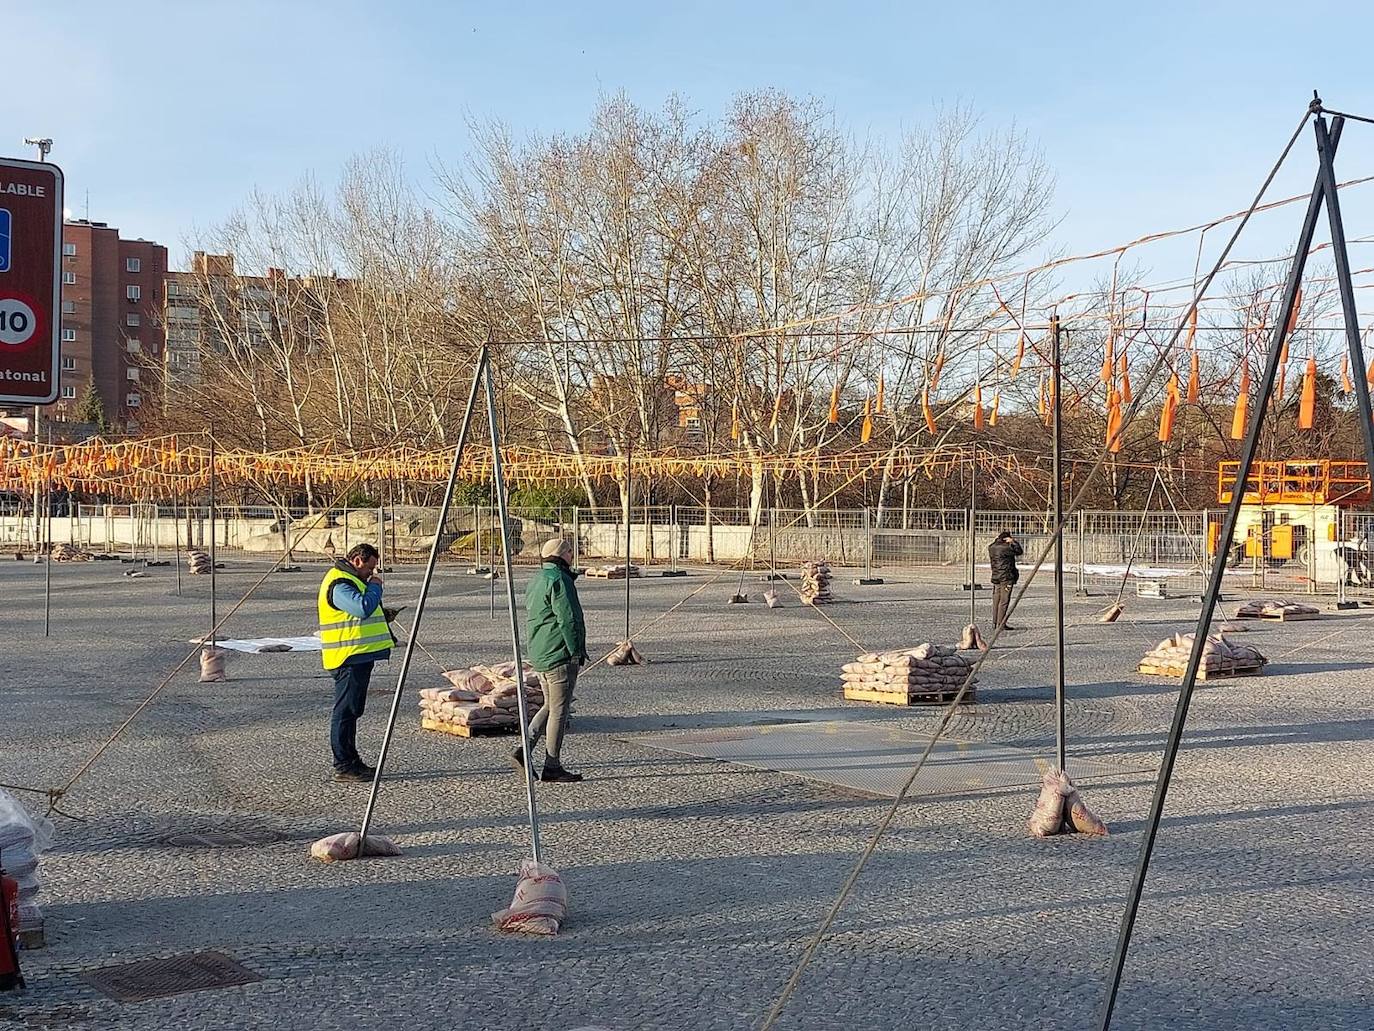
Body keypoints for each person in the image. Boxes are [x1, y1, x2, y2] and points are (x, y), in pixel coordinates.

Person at [515, 537, 589, 784]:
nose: (572, 556)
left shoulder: (537, 579)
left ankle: (524, 750)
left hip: (540, 652)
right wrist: (576, 651)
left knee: (549, 705)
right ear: (561, 555)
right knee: (559, 710)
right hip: (559, 653)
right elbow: (569, 619)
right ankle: (552, 765)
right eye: (570, 552)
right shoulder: (560, 580)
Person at [318, 543, 392, 782]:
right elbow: (361, 608)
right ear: (358, 560)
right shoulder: (339, 583)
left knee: (353, 710)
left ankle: (351, 761)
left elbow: (359, 614)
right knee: (345, 711)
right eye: (370, 568)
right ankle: (344, 764)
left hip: (358, 655)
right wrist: (375, 587)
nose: (372, 573)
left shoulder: (352, 579)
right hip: (346, 657)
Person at [988, 529, 1023, 631]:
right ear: (1006, 538)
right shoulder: (1006, 548)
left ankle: (995, 622)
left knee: (996, 600)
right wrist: (1013, 542)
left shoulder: (991, 547)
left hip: (996, 576)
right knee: (1004, 601)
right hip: (1006, 577)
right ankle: (1001, 623)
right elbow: (1019, 551)